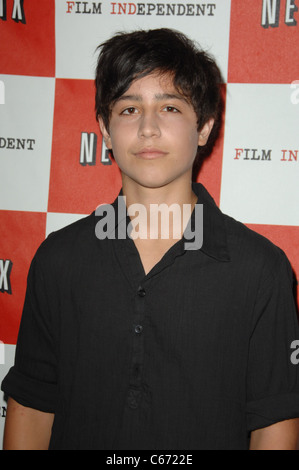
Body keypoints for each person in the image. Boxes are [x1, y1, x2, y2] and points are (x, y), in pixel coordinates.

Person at [2, 28, 299, 450]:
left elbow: (276, 425)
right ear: (104, 129)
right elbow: (30, 408)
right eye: (128, 109)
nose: (147, 128)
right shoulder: (58, 259)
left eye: (170, 107)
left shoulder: (260, 269)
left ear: (205, 127)